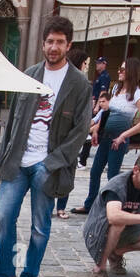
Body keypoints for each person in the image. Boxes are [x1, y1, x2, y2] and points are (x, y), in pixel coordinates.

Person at [0, 15, 92, 277]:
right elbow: (12, 120)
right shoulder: (29, 74)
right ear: (43, 44)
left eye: (60, 42)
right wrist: (3, 158)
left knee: (39, 226)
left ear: (69, 45)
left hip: (48, 164)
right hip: (18, 161)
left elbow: (80, 130)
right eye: (50, 41)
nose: (54, 47)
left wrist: (51, 162)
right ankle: (5, 273)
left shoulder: (79, 84)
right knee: (4, 219)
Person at [71, 57, 140, 216]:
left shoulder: (137, 94)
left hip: (118, 139)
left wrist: (123, 136)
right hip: (106, 137)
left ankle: (113, 207)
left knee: (113, 175)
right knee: (95, 171)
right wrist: (96, 130)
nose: (119, 72)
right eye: (120, 69)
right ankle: (90, 203)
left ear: (131, 72)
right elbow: (106, 112)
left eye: (123, 70)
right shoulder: (116, 90)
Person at [54, 50, 90, 217]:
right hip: (57, 136)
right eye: (86, 64)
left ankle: (61, 207)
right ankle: (56, 207)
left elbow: (83, 120)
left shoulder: (82, 85)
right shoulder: (67, 82)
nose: (87, 67)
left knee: (67, 174)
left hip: (71, 139)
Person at [79, 55, 112, 167]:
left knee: (89, 133)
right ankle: (82, 158)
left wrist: (98, 105)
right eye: (97, 63)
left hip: (97, 107)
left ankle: (83, 160)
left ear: (104, 64)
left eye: (99, 63)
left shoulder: (105, 76)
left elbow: (103, 92)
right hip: (94, 105)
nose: (97, 65)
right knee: (87, 130)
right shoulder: (100, 76)